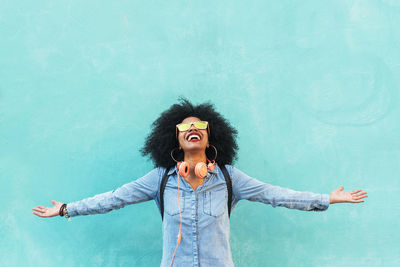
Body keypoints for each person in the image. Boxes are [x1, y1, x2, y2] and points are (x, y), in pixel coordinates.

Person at [32, 98, 368, 267]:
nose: (192, 127)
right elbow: (113, 198)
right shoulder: (159, 181)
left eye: (200, 124)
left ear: (210, 135)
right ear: (175, 139)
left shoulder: (230, 178)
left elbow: (275, 194)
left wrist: (327, 198)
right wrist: (66, 209)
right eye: (184, 126)